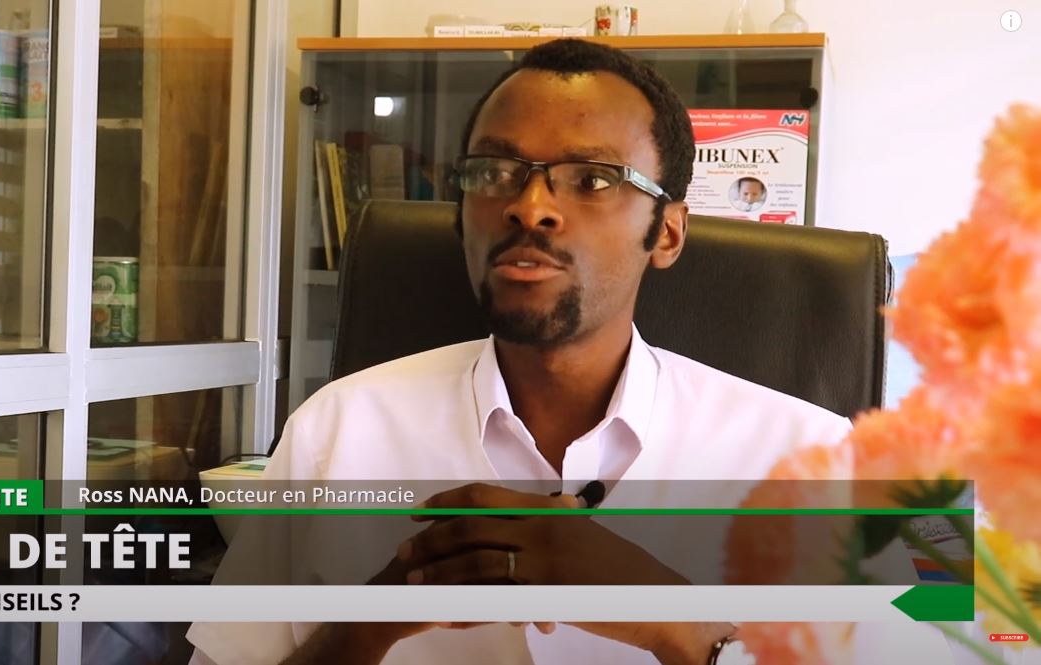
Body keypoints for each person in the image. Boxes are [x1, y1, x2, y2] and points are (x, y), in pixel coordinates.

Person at [188, 39, 858, 664]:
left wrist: (681, 625)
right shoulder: (334, 431)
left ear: (667, 233)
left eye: (592, 179)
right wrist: (365, 625)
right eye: (494, 171)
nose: (529, 206)